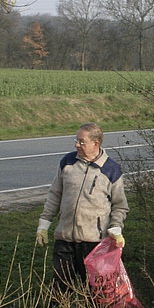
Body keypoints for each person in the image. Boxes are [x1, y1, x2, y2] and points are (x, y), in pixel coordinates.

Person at [36, 123, 129, 291]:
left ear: (96, 143)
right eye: (76, 140)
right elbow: (55, 194)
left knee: (94, 292)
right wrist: (44, 225)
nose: (76, 145)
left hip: (93, 243)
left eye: (81, 141)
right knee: (59, 289)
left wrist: (116, 228)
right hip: (64, 239)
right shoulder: (67, 162)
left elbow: (120, 206)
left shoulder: (111, 170)